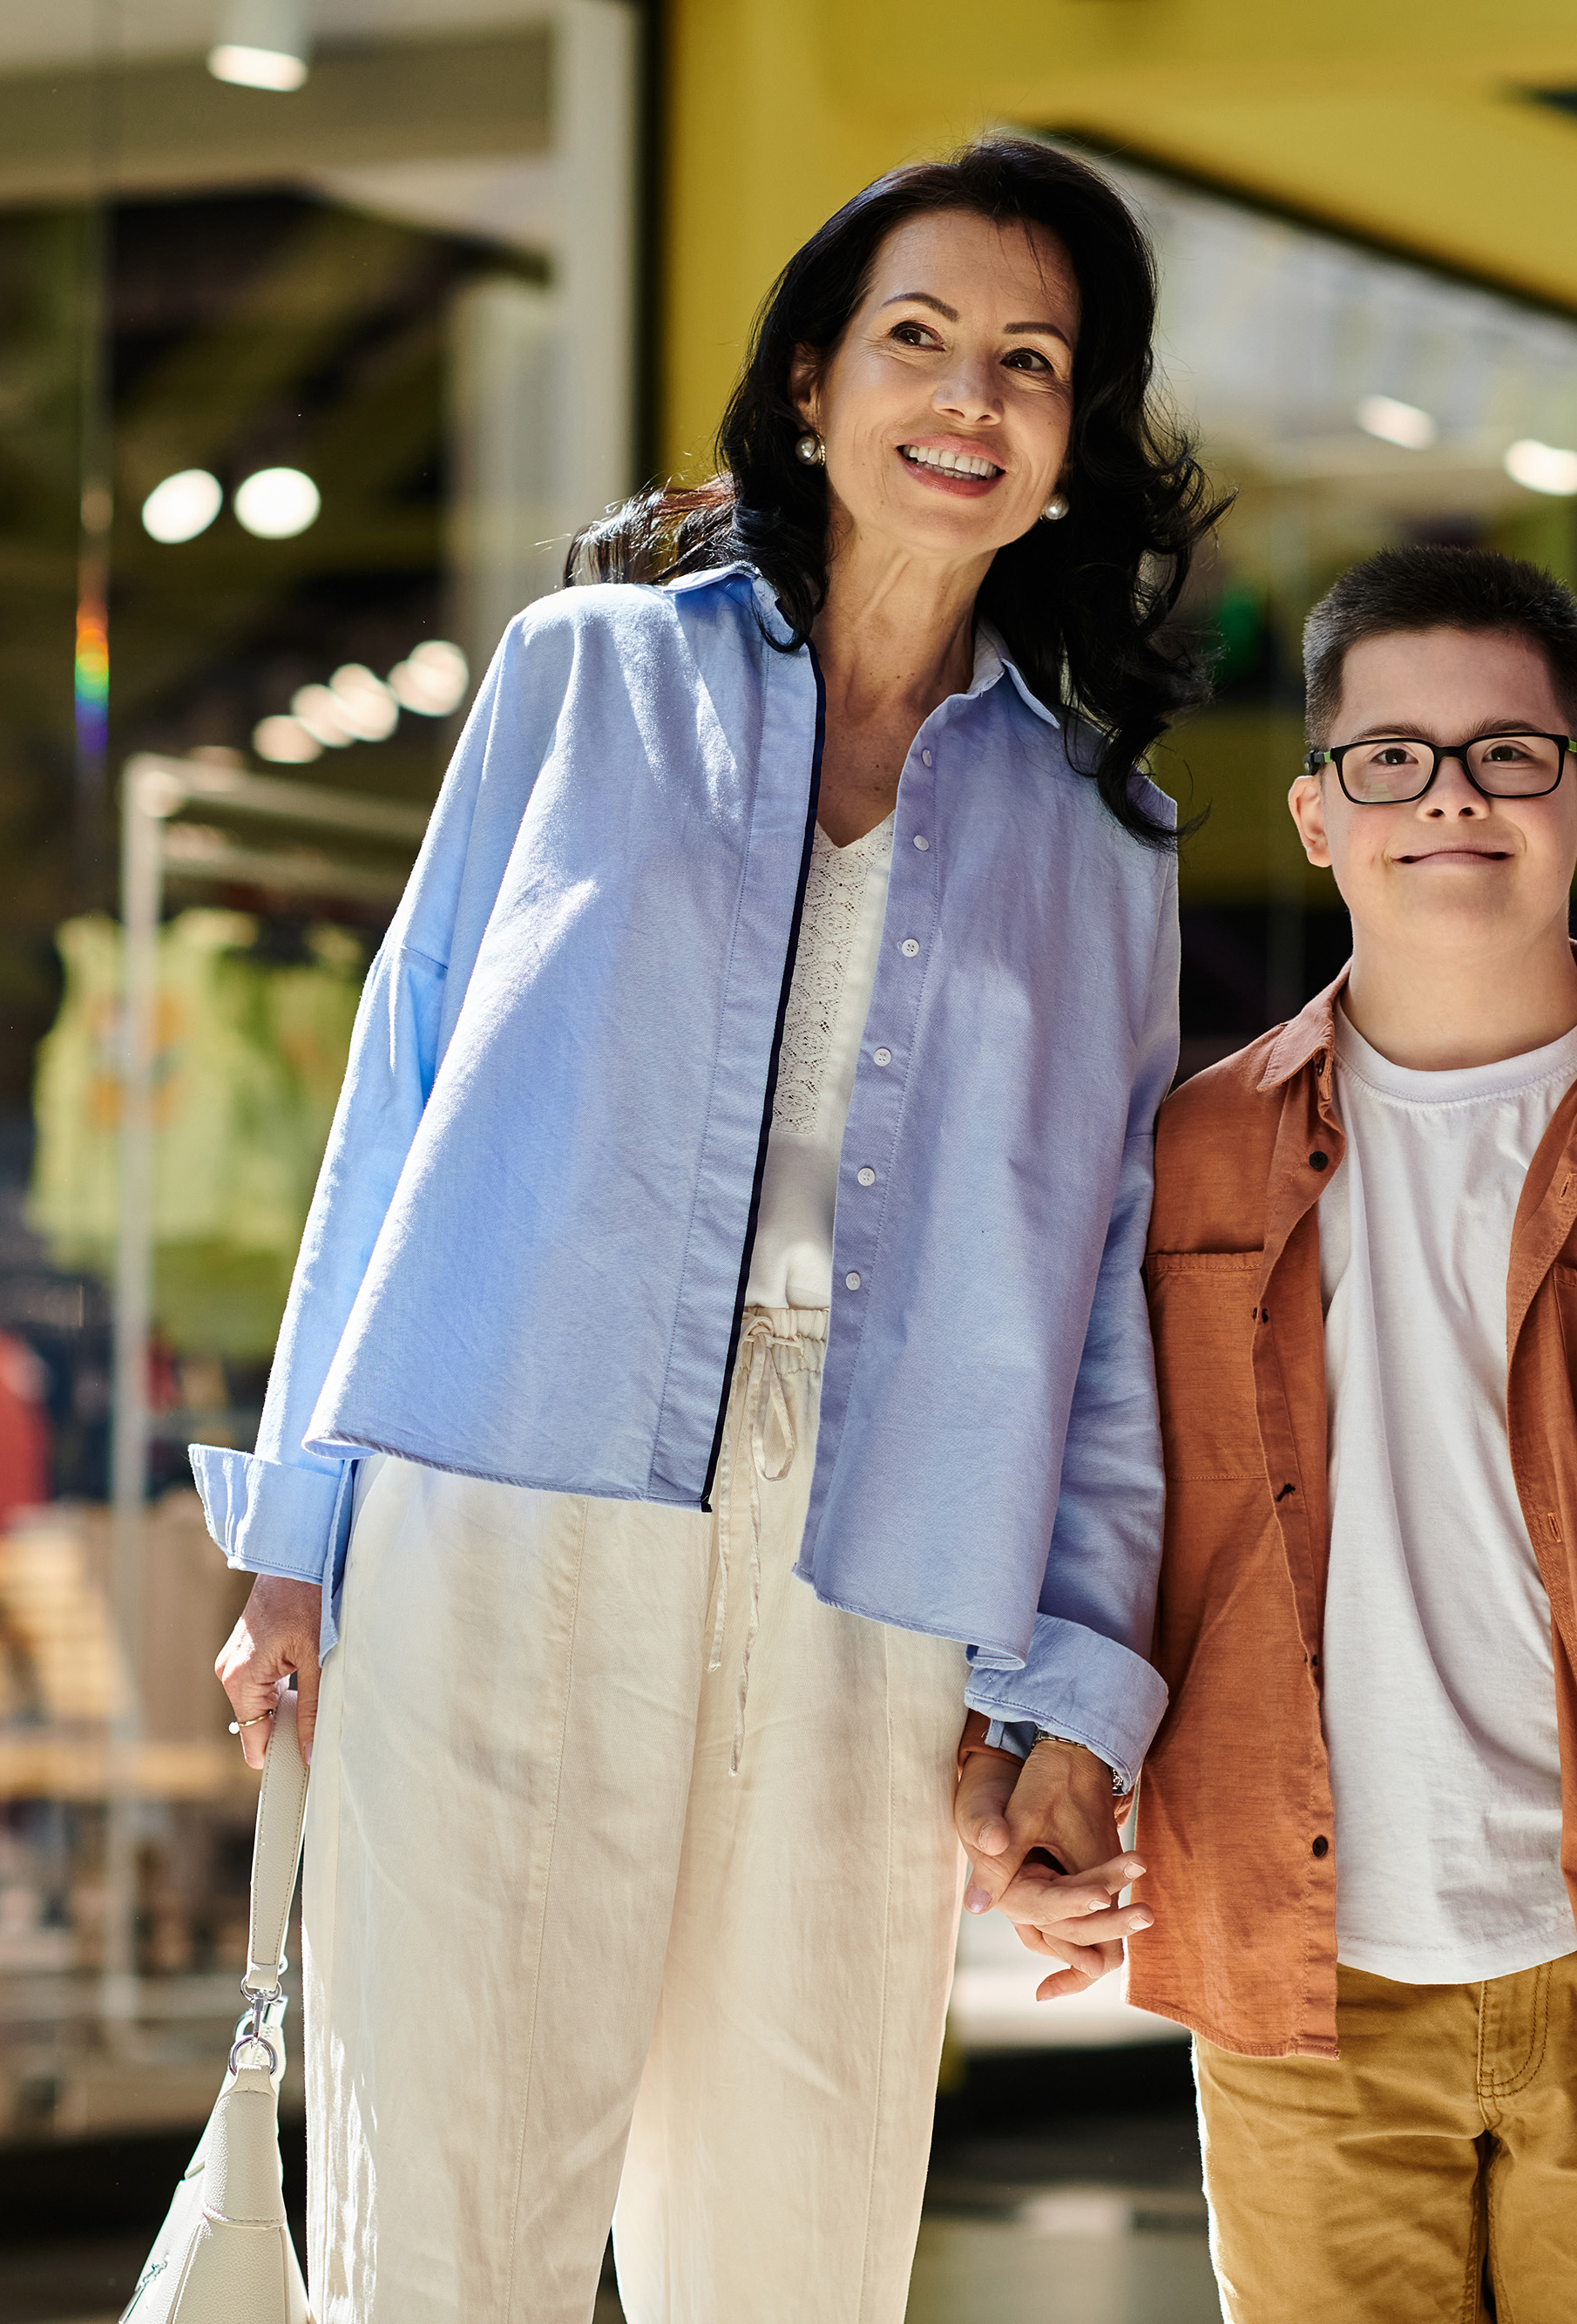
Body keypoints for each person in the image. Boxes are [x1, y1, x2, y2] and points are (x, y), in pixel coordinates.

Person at [200, 139, 1222, 2323]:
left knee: (796, 2223)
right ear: (808, 386)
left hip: (877, 1563)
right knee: (447, 2197)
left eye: (1030, 362)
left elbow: (1110, 1297)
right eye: (919, 339)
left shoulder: (1102, 836)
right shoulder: (583, 680)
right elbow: (395, 1089)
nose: (971, 395)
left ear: (1067, 447)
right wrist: (294, 1527)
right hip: (501, 1493)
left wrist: (1077, 1683)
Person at [1127, 546, 1577, 2322]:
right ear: (1314, 813)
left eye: (1506, 754)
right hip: (1295, 1975)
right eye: (1390, 756)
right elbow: (1108, 1511)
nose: (1448, 794)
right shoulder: (1190, 1159)